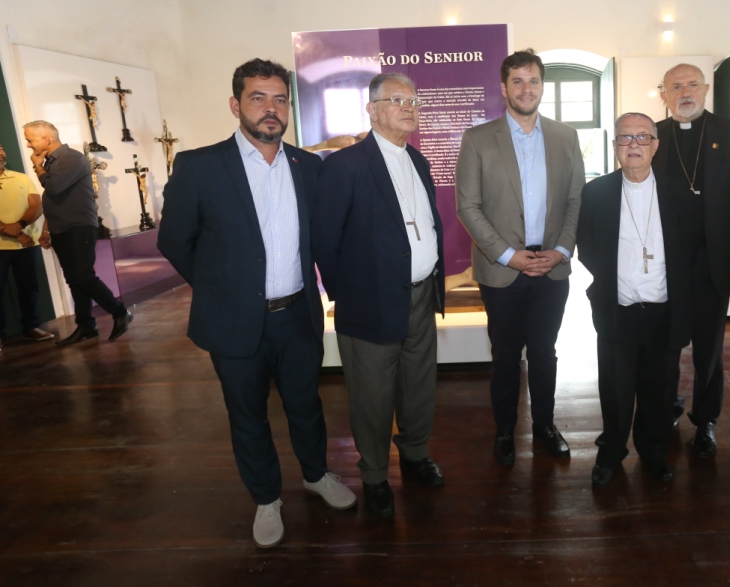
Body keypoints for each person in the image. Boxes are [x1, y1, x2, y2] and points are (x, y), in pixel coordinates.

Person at [158, 58, 354, 549]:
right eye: (258, 98)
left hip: (298, 315)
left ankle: (316, 474)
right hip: (233, 320)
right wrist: (220, 288)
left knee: (306, 405)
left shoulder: (308, 167)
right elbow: (175, 240)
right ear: (236, 105)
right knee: (247, 414)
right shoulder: (200, 166)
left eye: (280, 99)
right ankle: (267, 498)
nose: (271, 109)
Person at [312, 73, 446, 519]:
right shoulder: (345, 165)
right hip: (369, 302)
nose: (408, 106)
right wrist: (348, 295)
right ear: (372, 110)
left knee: (418, 386)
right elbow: (325, 239)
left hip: (420, 297)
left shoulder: (418, 161)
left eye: (413, 100)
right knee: (372, 396)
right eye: (396, 100)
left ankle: (415, 453)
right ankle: (373, 475)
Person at [455, 49, 585, 466]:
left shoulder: (566, 137)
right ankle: (505, 430)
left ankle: (546, 426)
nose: (526, 89)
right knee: (506, 356)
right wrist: (508, 255)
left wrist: (561, 250)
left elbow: (575, 199)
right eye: (517, 81)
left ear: (542, 85)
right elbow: (467, 207)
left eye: (533, 81)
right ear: (504, 88)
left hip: (551, 268)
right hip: (502, 272)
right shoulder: (478, 139)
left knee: (545, 353)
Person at [577, 113, 690, 487]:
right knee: (615, 389)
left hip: (664, 310)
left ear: (656, 146)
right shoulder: (596, 193)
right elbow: (587, 248)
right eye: (625, 138)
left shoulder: (676, 193)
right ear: (615, 146)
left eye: (643, 137)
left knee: (659, 390)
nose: (634, 145)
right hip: (618, 310)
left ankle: (654, 452)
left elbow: (688, 251)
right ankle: (611, 452)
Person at [651, 63, 730, 458]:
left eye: (692, 84)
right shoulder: (654, 135)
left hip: (714, 260)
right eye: (676, 86)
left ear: (706, 88)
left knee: (709, 349)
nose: (685, 92)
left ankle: (706, 420)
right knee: (666, 345)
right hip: (665, 264)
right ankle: (667, 408)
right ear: (664, 94)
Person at [23, 121, 132, 345]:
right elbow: (53, 198)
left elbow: (53, 186)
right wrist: (46, 228)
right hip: (60, 227)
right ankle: (86, 325)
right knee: (73, 279)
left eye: (30, 140)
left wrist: (37, 167)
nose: (28, 145)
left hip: (79, 226)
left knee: (83, 276)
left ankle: (120, 312)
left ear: (46, 139)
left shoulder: (72, 158)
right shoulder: (52, 161)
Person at [0, 143, 54, 351]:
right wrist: (17, 233)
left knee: (29, 287)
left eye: (2, 148)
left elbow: (37, 206)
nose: (1, 153)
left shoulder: (21, 177)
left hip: (27, 245)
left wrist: (21, 225)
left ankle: (31, 327)